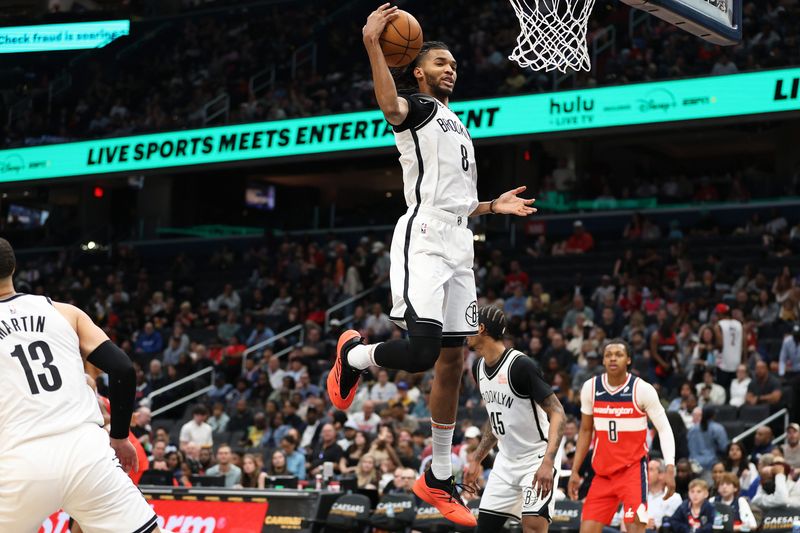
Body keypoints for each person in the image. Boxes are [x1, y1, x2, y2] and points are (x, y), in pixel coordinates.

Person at [327, 5, 536, 527]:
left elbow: (456, 200)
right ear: (417, 70)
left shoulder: (457, 123)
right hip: (422, 237)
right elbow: (387, 104)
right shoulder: (416, 107)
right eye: (441, 62)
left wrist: (491, 207)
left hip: (460, 239)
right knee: (420, 354)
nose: (452, 69)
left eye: (454, 64)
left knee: (451, 362)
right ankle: (352, 356)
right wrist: (374, 44)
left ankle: (438, 476)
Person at [0, 238, 165, 532]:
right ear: (13, 267)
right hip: (87, 454)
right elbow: (123, 369)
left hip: (20, 460)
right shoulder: (65, 312)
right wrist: (119, 436)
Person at [464, 306, 566, 533]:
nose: (465, 332)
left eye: (469, 326)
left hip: (536, 457)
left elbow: (558, 412)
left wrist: (548, 462)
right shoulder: (478, 367)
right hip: (506, 460)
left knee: (532, 527)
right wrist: (477, 458)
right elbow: (496, 418)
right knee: (483, 529)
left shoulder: (520, 365)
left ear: (481, 328)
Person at [568, 338, 676, 533]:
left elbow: (664, 429)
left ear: (628, 360)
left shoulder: (642, 389)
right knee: (587, 529)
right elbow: (585, 430)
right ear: (602, 360)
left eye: (618, 355)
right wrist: (575, 470)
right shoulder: (590, 388)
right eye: (608, 355)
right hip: (602, 473)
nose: (612, 359)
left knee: (635, 527)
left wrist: (669, 467)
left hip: (632, 471)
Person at [687, 406, 729, 472]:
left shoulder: (692, 429)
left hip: (693, 465)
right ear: (713, 415)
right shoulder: (718, 428)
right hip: (711, 464)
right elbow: (724, 447)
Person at [645, 459, 683, 531]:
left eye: (650, 469)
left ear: (662, 475)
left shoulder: (674, 498)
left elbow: (670, 525)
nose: (645, 472)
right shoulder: (638, 495)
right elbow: (619, 520)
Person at [714, 303, 744, 394]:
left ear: (720, 314)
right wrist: (744, 361)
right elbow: (744, 344)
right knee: (734, 391)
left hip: (724, 363)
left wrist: (713, 346)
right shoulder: (739, 324)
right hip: (737, 363)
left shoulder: (718, 325)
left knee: (722, 391)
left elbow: (720, 344)